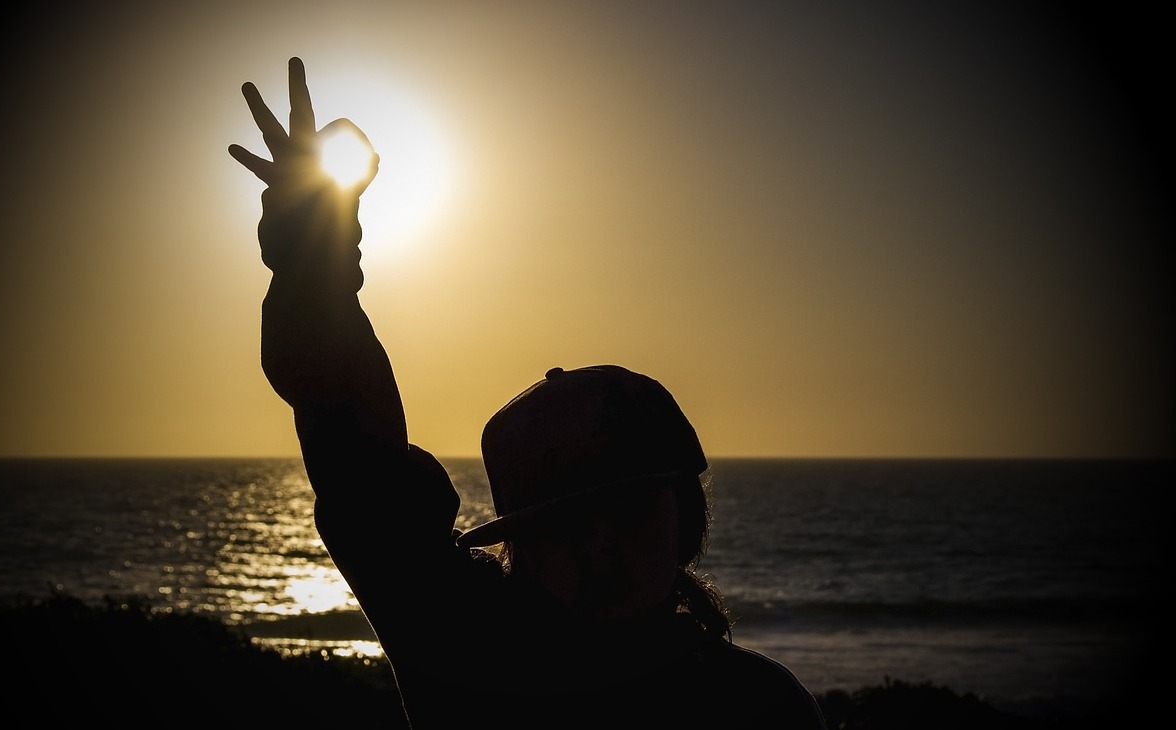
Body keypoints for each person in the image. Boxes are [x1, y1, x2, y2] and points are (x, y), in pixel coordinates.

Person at [229, 57, 827, 729]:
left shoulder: (761, 709)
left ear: (684, 522)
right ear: (517, 549)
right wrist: (313, 258)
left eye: (628, 512)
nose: (600, 548)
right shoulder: (464, 643)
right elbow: (351, 442)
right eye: (564, 525)